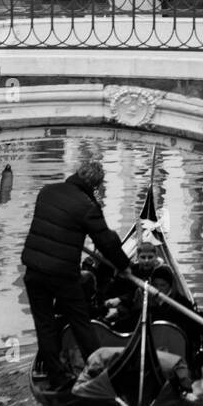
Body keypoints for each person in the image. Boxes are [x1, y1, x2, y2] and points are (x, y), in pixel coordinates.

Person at [22, 159, 131, 390]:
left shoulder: (46, 192)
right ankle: (99, 374)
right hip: (62, 274)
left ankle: (57, 378)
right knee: (80, 322)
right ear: (95, 185)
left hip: (33, 270)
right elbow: (106, 242)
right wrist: (124, 266)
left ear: (76, 174)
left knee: (45, 325)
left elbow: (55, 222)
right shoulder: (87, 207)